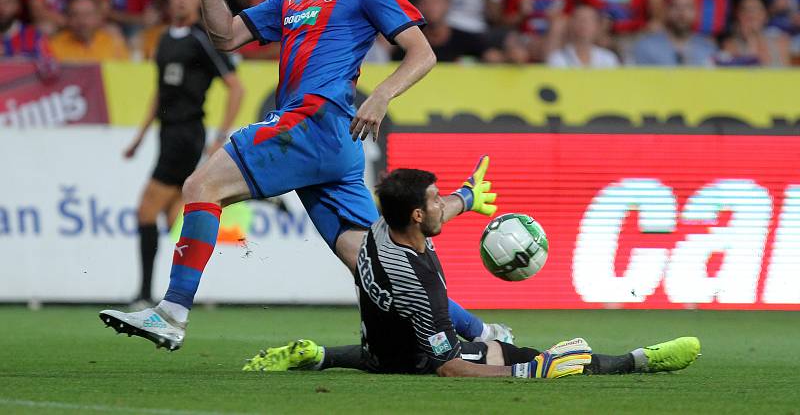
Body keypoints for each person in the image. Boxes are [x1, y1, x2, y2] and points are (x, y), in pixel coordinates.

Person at [99, 0, 509, 351]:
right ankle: (483, 333)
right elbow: (226, 36)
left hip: (314, 121)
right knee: (374, 264)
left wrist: (380, 94)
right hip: (333, 146)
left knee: (199, 187)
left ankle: (171, 312)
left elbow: (423, 53)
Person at [241, 165, 701, 379]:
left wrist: (465, 195)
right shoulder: (417, 285)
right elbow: (447, 366)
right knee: (538, 357)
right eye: (436, 200)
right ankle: (639, 360)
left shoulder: (383, 231)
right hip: (416, 362)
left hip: (379, 348)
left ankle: (319, 356)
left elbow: (433, 214)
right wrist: (528, 373)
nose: (443, 204)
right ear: (417, 216)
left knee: (388, 354)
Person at [122, 0, 244, 307]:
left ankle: (145, 294)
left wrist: (221, 135)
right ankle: (183, 295)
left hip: (186, 135)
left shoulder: (201, 38)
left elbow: (236, 87)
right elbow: (160, 94)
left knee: (146, 211)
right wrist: (139, 137)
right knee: (177, 216)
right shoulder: (163, 39)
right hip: (167, 134)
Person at [629, 0, 717, 66]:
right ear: (666, 11)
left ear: (697, 12)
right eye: (675, 7)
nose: (682, 13)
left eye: (688, 7)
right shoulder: (647, 48)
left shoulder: (708, 50)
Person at [715, 0, 791, 67]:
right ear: (737, 15)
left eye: (756, 9)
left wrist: (756, 38)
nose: (751, 15)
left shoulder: (780, 41)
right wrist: (750, 40)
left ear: (765, 15)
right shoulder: (730, 44)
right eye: (745, 10)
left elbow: (784, 71)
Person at [50, 0, 130, 63]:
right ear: (68, 19)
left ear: (99, 17)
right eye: (75, 15)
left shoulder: (114, 43)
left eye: (87, 15)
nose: (82, 21)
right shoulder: (54, 46)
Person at [547, 4, 620, 68]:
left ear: (597, 26)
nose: (583, 23)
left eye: (588, 20)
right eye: (579, 19)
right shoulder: (557, 58)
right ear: (571, 23)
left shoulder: (608, 58)